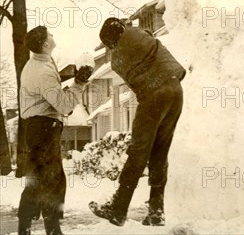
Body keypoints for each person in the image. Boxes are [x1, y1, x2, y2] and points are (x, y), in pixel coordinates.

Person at [88, 18, 186, 227]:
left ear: (110, 41)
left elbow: (135, 80)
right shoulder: (140, 33)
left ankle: (118, 208)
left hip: (153, 97)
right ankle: (156, 211)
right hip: (175, 90)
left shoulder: (116, 61)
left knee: (138, 153)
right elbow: (149, 37)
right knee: (160, 151)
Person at [18, 26, 93, 235]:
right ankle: (51, 229)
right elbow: (65, 106)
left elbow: (52, 92)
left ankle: (28, 227)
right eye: (49, 35)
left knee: (42, 178)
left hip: (39, 127)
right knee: (51, 178)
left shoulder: (39, 63)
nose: (53, 36)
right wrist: (79, 82)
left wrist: (71, 76)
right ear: (44, 44)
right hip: (44, 128)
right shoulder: (42, 71)